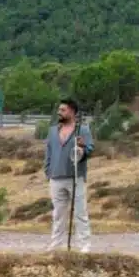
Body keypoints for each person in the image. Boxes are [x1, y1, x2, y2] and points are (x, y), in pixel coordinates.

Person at [44, 98, 94, 253]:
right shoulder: (53, 130)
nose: (59, 112)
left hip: (75, 177)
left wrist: (83, 146)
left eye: (63, 110)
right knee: (58, 214)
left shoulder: (83, 130)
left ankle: (84, 245)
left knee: (80, 212)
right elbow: (48, 151)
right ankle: (56, 244)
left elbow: (90, 149)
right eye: (59, 110)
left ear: (72, 111)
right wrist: (48, 171)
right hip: (56, 177)